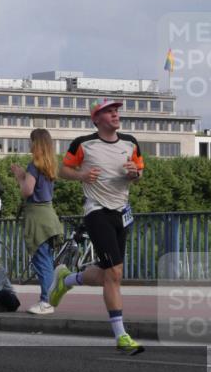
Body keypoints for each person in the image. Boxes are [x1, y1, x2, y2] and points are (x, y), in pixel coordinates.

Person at [52, 97, 145, 355]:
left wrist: (134, 174)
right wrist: (81, 175)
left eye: (116, 111)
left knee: (107, 274)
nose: (115, 115)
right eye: (109, 112)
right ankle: (121, 335)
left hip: (122, 212)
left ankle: (67, 279)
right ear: (96, 119)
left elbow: (139, 173)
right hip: (97, 211)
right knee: (115, 273)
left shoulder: (130, 143)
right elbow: (63, 170)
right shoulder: (84, 144)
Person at [10, 128, 65, 315]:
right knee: (47, 260)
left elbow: (27, 191)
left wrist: (19, 176)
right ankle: (48, 297)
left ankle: (46, 301)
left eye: (31, 141)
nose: (29, 144)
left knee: (41, 261)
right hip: (49, 216)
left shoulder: (34, 165)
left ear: (36, 144)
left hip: (37, 218)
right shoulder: (49, 165)